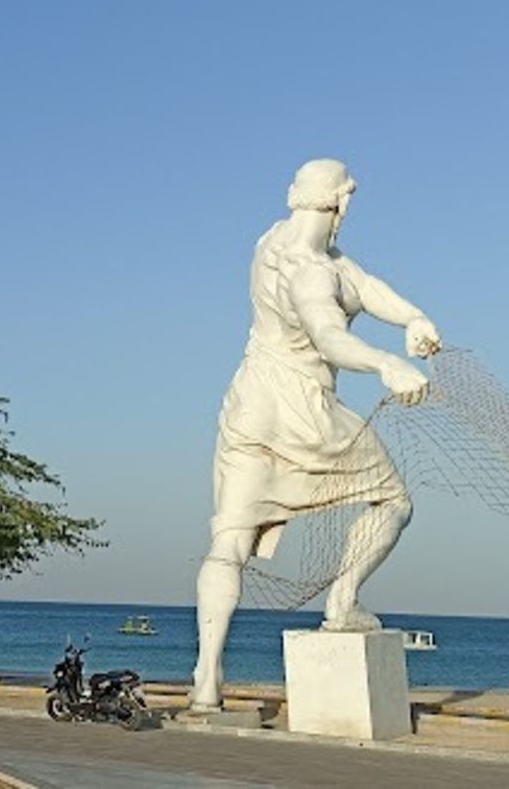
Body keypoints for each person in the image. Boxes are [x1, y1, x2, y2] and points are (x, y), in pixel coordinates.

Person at [188, 159, 439, 713]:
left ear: (295, 199)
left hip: (249, 404)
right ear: (343, 205)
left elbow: (364, 285)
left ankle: (207, 675)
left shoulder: (271, 242)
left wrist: (412, 318)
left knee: (228, 543)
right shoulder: (311, 271)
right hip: (304, 408)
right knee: (394, 501)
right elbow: (329, 336)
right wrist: (386, 365)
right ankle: (342, 600)